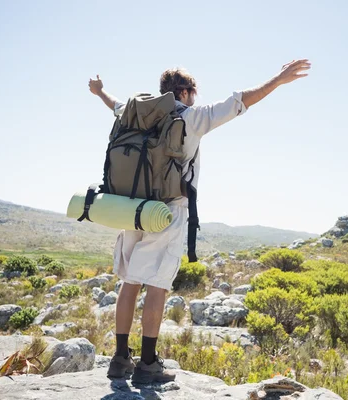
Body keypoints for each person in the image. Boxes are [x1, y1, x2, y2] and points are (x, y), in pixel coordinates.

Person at [88, 59, 310, 384]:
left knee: (130, 281)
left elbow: (114, 105)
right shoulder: (190, 117)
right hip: (167, 210)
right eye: (194, 91)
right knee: (158, 285)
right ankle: (147, 363)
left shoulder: (137, 112)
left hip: (131, 207)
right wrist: (277, 79)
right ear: (184, 91)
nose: (196, 97)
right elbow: (238, 102)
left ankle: (120, 358)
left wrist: (99, 91)